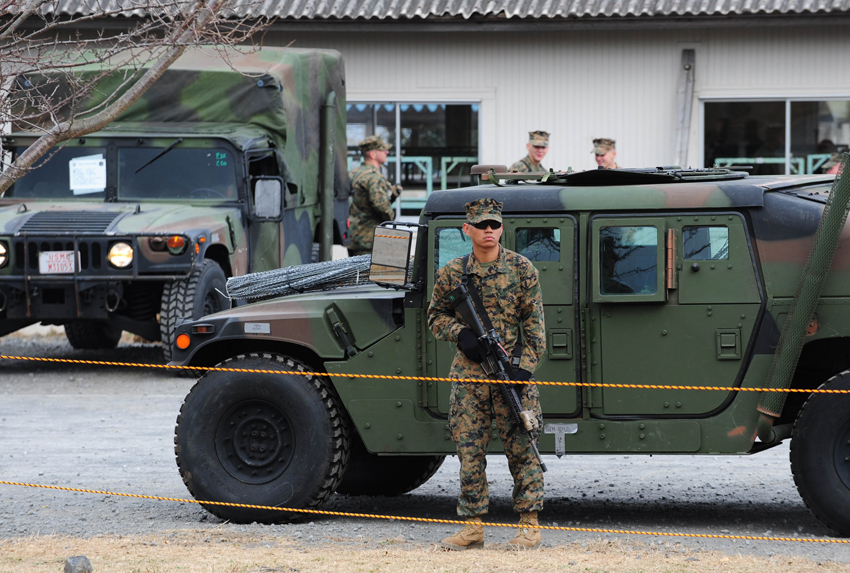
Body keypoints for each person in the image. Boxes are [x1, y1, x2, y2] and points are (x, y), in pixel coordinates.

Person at [427, 198, 546, 551]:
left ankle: (529, 525)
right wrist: (460, 334)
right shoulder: (453, 272)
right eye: (481, 225)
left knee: (523, 448)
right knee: (469, 452)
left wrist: (523, 368)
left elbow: (535, 326)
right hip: (470, 377)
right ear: (468, 229)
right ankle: (473, 526)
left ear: (502, 227)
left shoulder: (522, 269)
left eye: (494, 224)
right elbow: (435, 316)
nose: (489, 230)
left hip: (510, 375)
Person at [347, 135, 402, 256]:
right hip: (369, 240)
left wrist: (391, 198)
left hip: (355, 236)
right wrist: (391, 217)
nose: (387, 152)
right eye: (383, 150)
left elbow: (363, 204)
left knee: (355, 273)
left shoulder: (355, 173)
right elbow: (381, 207)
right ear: (373, 155)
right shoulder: (373, 177)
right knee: (370, 274)